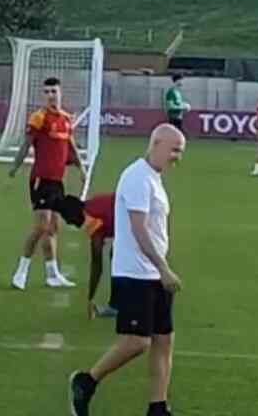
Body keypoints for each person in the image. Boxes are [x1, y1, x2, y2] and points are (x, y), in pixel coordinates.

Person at [69, 124, 185, 416]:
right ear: (156, 143)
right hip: (136, 273)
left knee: (163, 339)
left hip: (154, 273)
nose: (176, 158)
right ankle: (86, 381)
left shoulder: (154, 178)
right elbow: (138, 230)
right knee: (137, 341)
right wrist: (164, 268)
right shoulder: (137, 178)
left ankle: (158, 407)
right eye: (174, 150)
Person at [8, 77, 83, 290]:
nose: (50, 95)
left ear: (61, 93)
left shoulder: (67, 119)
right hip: (41, 179)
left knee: (53, 228)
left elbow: (71, 147)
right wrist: (14, 168)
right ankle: (21, 272)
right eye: (47, 92)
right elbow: (26, 145)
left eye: (54, 91)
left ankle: (52, 274)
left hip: (58, 181)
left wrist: (82, 169)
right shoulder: (38, 118)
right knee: (41, 226)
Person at [52, 193, 119, 319]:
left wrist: (90, 298)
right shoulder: (91, 204)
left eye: (68, 219)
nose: (69, 222)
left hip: (137, 221)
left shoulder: (91, 219)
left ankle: (124, 305)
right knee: (116, 256)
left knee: (119, 259)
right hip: (135, 215)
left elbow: (97, 264)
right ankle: (117, 304)